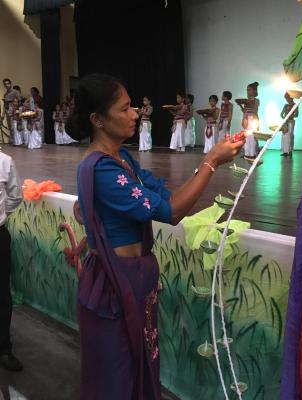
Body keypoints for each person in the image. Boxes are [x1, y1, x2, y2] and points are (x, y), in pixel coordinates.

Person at [65, 74, 245, 400]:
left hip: (134, 280)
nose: (134, 113)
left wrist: (210, 162)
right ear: (98, 120)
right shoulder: (102, 169)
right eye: (124, 109)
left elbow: (167, 199)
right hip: (115, 287)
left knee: (142, 365)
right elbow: (171, 212)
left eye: (132, 106)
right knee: (118, 377)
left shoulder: (122, 159)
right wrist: (211, 161)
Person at [0, 150, 23, 371]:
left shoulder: (4, 161)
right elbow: (14, 197)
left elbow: (16, 196)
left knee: (2, 295)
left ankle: (4, 348)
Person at [235, 81, 260, 159]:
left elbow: (255, 111)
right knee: (246, 137)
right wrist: (241, 106)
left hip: (253, 120)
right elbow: (245, 111)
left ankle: (252, 154)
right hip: (246, 119)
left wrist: (246, 103)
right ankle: (246, 153)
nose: (248, 91)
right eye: (247, 90)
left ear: (254, 91)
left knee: (252, 137)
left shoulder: (256, 100)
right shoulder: (246, 101)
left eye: (249, 90)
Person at [280, 92, 298, 157]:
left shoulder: (295, 105)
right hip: (285, 122)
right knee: (284, 136)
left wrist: (290, 116)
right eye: (286, 98)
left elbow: (296, 114)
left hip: (291, 121)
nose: (287, 99)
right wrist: (284, 118)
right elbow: (281, 114)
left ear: (291, 97)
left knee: (290, 135)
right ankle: (285, 151)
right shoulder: (285, 105)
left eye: (288, 98)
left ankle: (290, 150)